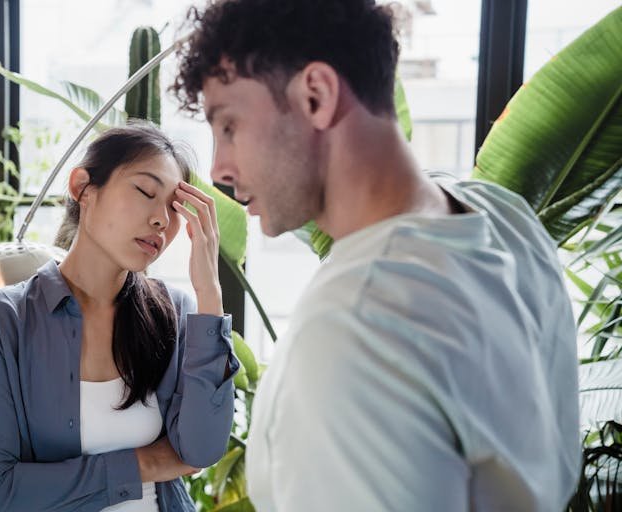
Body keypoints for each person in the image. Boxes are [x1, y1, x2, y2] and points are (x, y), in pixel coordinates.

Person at [172, 1, 580, 510]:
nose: (218, 168)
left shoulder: (355, 325)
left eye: (228, 126)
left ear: (316, 96)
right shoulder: (505, 218)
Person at [0, 123, 238, 512]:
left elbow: (201, 449)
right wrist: (145, 463)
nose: (161, 221)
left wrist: (210, 294)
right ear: (83, 187)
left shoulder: (179, 312)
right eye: (144, 192)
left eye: (173, 208)